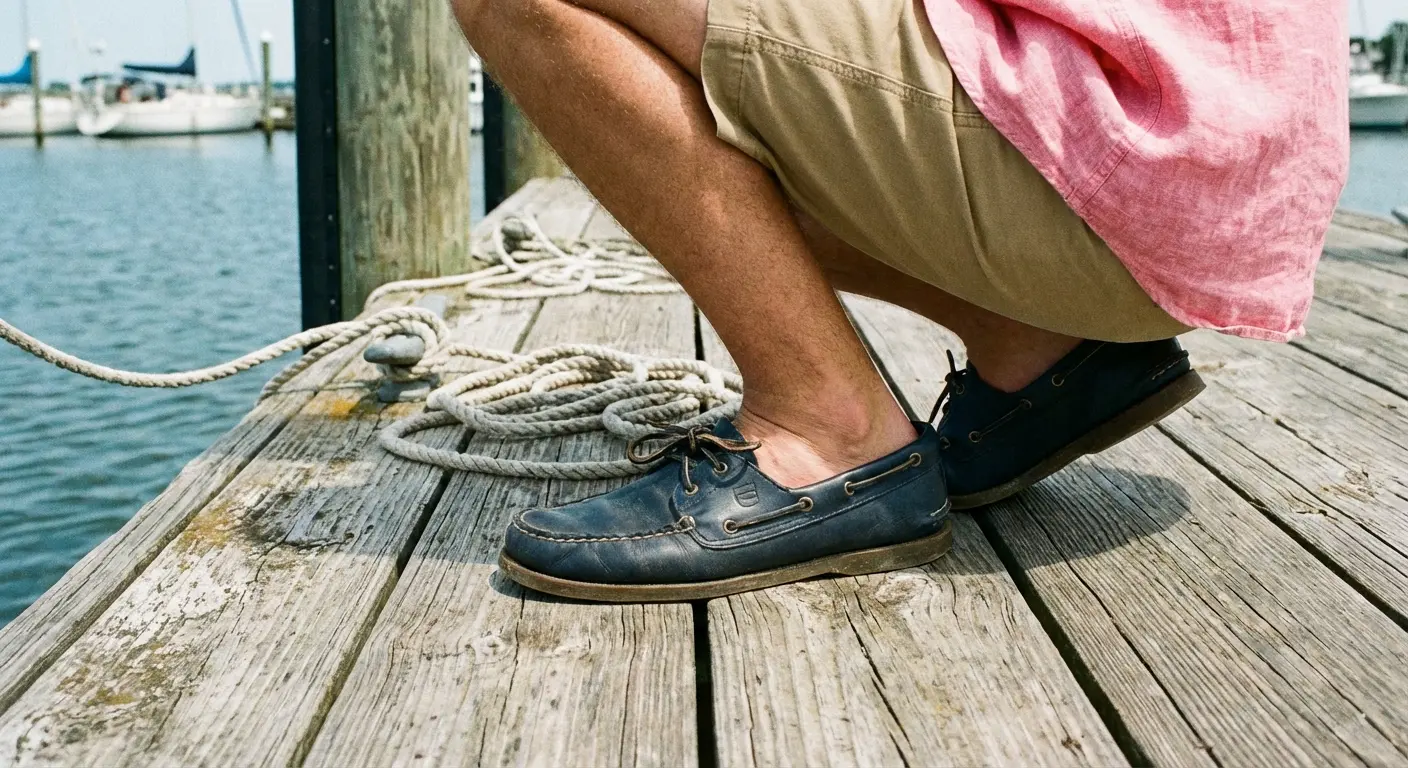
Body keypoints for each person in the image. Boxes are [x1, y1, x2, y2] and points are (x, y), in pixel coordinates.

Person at [451, 0, 1348, 601]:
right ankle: (1037, 344)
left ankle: (827, 431)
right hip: (1204, 164)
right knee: (701, 66)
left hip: (1132, 148)